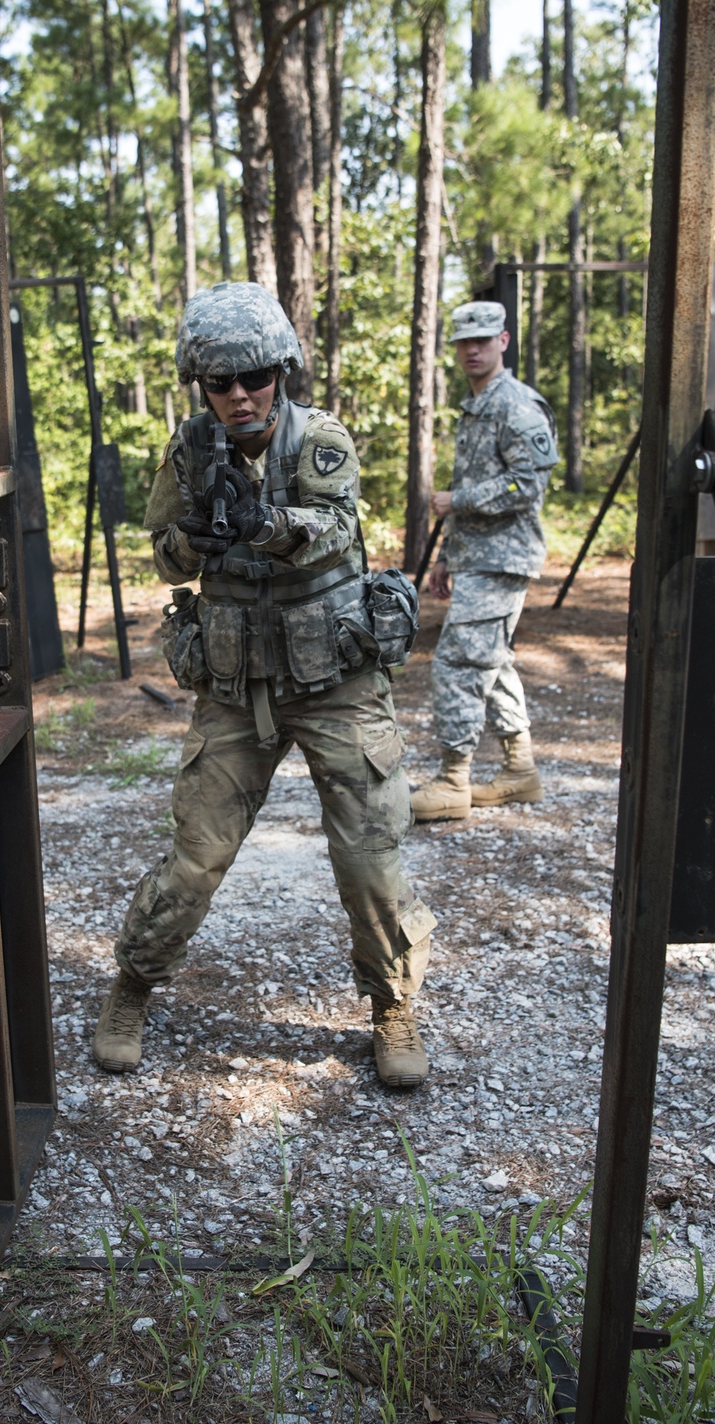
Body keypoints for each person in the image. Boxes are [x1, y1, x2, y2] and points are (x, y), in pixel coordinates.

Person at [93, 281, 436, 1088]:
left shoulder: (319, 439)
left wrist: (266, 525)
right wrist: (196, 538)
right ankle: (133, 987)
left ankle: (392, 1003)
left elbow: (336, 529)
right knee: (195, 858)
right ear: (201, 385)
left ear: (280, 373)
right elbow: (163, 556)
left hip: (334, 683)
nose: (240, 396)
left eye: (254, 378)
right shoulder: (189, 451)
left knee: (371, 860)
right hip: (236, 684)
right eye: (221, 383)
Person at [411, 300, 559, 822]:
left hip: (503, 558)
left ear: (504, 340)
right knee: (491, 664)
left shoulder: (516, 405)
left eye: (483, 339)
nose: (472, 349)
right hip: (476, 556)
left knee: (457, 662)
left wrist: (460, 501)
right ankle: (520, 772)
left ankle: (454, 779)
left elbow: (527, 484)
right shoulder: (476, 406)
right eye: (463, 342)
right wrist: (447, 556)